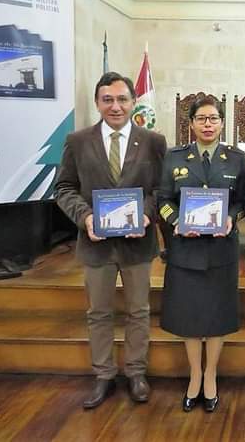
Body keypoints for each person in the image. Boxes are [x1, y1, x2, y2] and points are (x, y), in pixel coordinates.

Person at [55, 72, 166, 409]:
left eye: (122, 99)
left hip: (137, 242)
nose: (115, 106)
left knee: (138, 310)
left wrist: (146, 216)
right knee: (99, 312)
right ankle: (104, 375)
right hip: (96, 243)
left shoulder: (153, 141)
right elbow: (64, 188)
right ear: (97, 103)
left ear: (134, 102)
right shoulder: (77, 141)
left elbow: (161, 190)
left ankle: (135, 372)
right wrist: (86, 217)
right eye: (108, 99)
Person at [157, 95, 245, 413]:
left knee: (218, 313)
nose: (208, 124)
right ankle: (194, 375)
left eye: (213, 118)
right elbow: (162, 198)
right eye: (201, 119)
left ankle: (211, 375)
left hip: (221, 249)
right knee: (190, 313)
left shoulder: (236, 159)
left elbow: (243, 201)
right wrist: (176, 220)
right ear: (191, 123)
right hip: (186, 248)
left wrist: (231, 218)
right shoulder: (174, 157)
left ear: (222, 122)